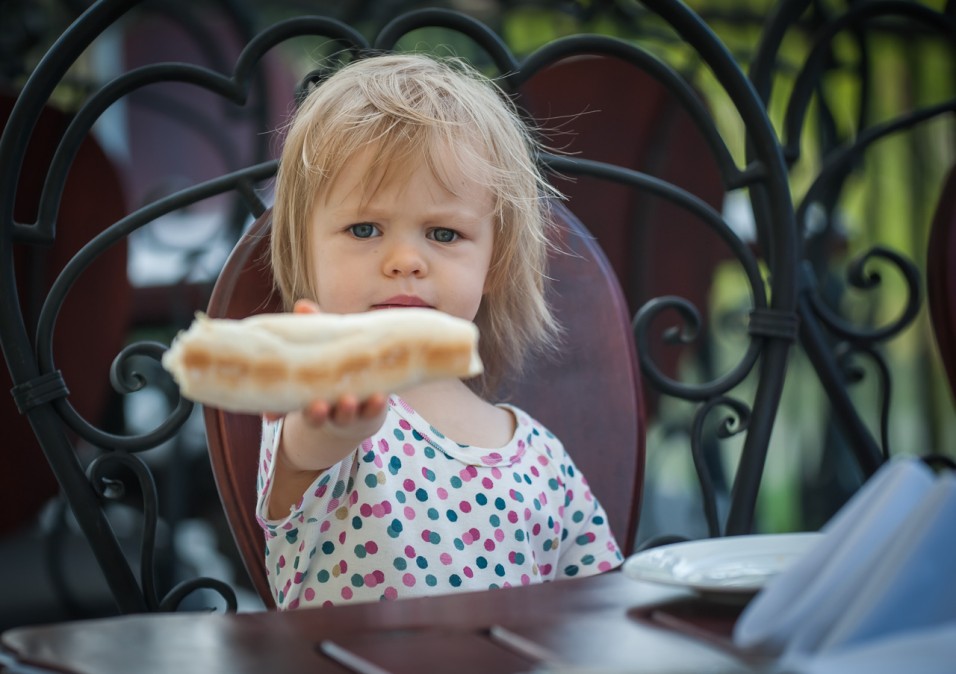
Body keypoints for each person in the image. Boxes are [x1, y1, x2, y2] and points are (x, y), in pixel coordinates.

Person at [257, 53, 623, 609]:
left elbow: (601, 611)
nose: (406, 259)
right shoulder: (327, 412)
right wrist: (325, 426)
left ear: (493, 265)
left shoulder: (539, 457)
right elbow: (305, 455)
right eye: (364, 228)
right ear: (303, 253)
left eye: (445, 234)